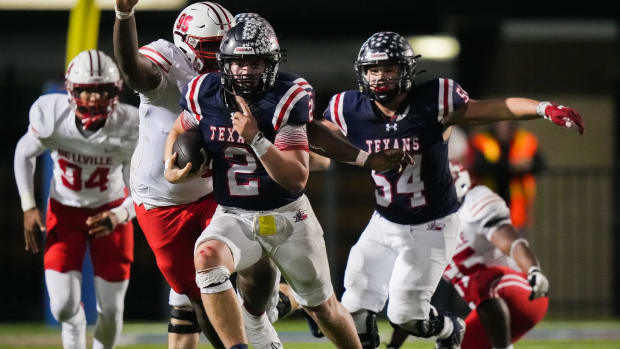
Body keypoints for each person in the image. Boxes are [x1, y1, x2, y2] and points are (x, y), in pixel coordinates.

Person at [322, 31, 583, 349]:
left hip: (432, 224)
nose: (380, 77)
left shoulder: (436, 100)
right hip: (385, 221)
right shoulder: (347, 107)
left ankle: (450, 330)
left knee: (406, 315)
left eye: (388, 68)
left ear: (405, 70)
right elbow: (316, 137)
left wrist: (542, 108)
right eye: (373, 70)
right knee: (355, 308)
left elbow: (496, 108)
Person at [164, 20, 364, 349]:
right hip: (234, 213)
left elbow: (295, 179)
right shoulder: (204, 92)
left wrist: (255, 139)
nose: (246, 71)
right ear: (224, 64)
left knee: (323, 309)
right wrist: (170, 167)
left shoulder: (286, 97)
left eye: (255, 62)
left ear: (270, 64)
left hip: (288, 214)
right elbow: (179, 128)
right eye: (239, 62)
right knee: (206, 256)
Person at [113, 1, 233, 348]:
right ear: (185, 43)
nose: (221, 58)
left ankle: (275, 304)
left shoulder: (233, 73)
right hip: (161, 201)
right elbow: (133, 70)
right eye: (212, 49)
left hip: (214, 193)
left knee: (226, 277)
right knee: (198, 297)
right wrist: (124, 16)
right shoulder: (167, 63)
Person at [14, 50, 138, 349]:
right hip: (65, 211)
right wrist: (29, 206)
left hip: (112, 212)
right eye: (86, 90)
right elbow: (23, 153)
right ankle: (75, 334)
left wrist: (119, 216)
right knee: (62, 307)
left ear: (115, 92)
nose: (94, 100)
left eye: (101, 91)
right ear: (71, 90)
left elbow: (145, 191)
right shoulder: (53, 116)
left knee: (111, 310)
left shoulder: (130, 125)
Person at [386, 162, 549, 349]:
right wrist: (393, 345)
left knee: (481, 278)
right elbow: (414, 294)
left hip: (521, 292)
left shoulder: (474, 202)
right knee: (451, 342)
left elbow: (510, 242)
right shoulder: (428, 226)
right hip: (490, 310)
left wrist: (533, 270)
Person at [469, 121, 544, 230]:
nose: (505, 127)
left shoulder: (526, 139)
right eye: (501, 123)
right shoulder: (481, 140)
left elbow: (540, 165)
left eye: (509, 123)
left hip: (517, 214)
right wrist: (510, 166)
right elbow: (479, 166)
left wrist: (528, 165)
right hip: (487, 211)